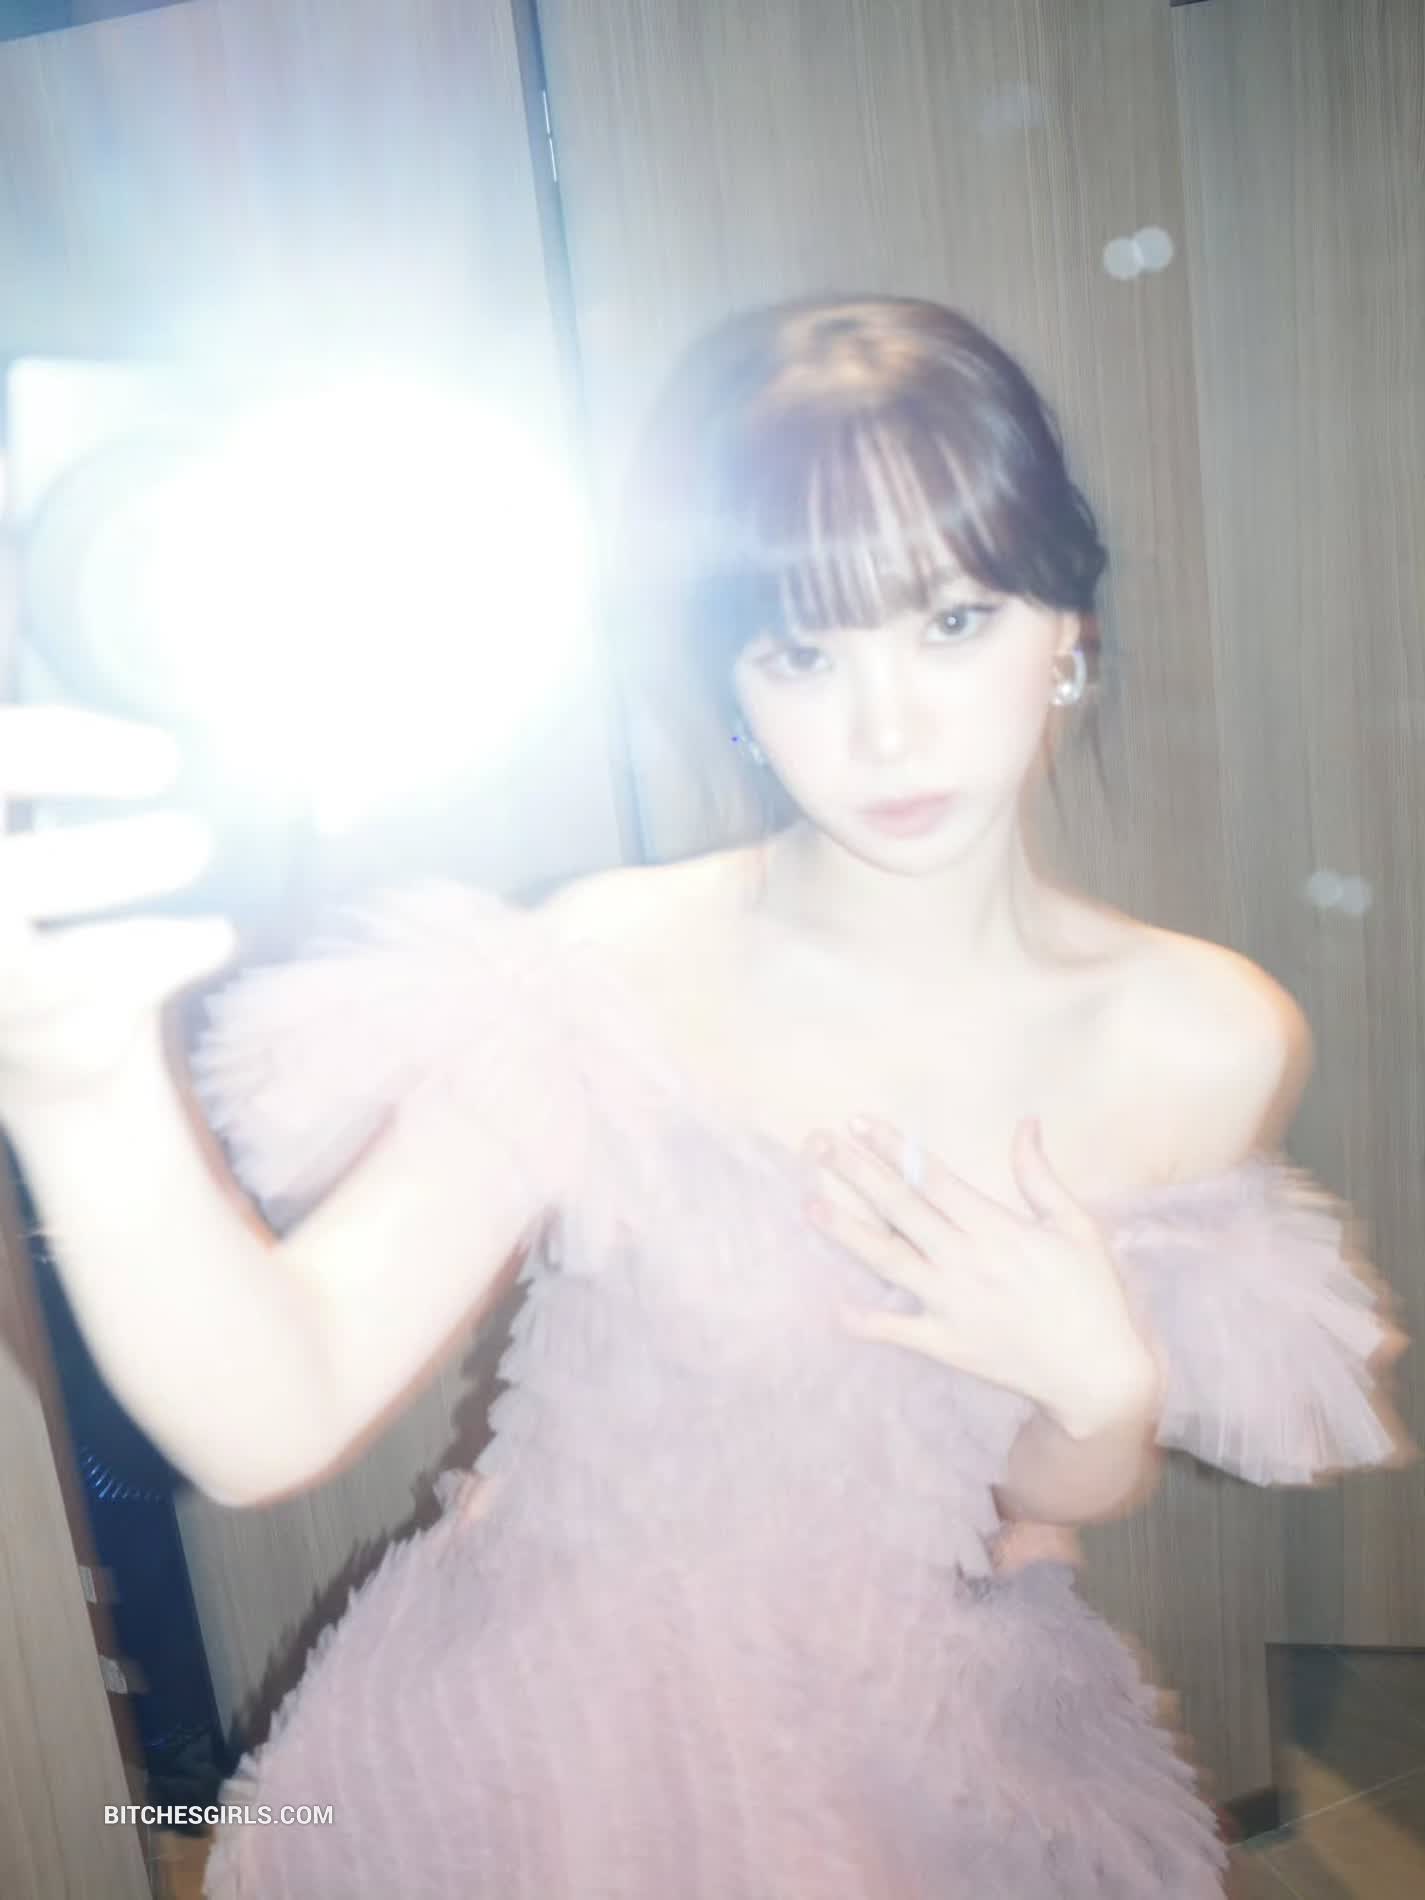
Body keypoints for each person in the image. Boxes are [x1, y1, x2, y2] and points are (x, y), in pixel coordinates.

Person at [0, 295, 1412, 1899]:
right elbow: (275, 1412)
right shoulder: (608, 965)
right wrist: (75, 1087)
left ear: (1064, 628)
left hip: (926, 1746)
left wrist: (1100, 1392)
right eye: (803, 651)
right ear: (736, 681)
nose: (886, 726)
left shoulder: (1202, 1037)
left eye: (952, 620)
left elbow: (1044, 1488)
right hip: (554, 1741)